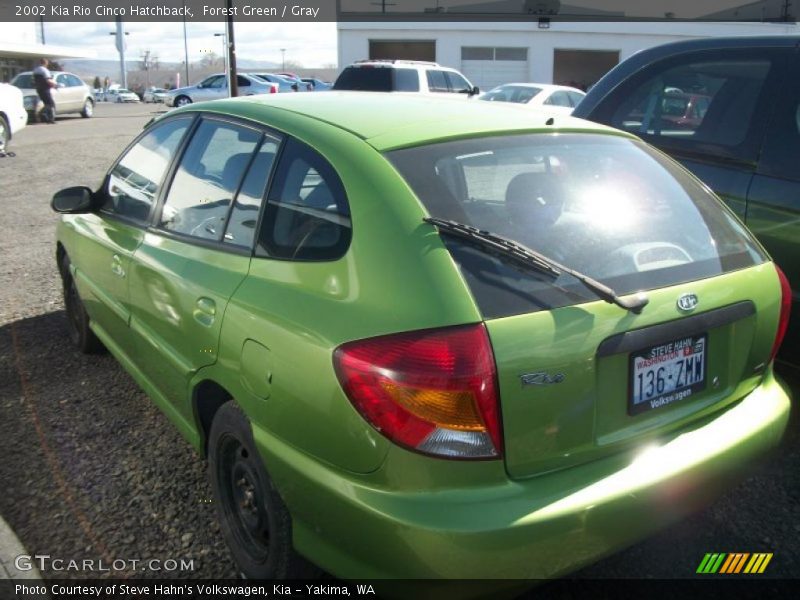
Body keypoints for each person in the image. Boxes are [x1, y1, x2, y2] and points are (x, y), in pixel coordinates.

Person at [32, 58, 57, 124]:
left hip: (39, 89)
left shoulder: (35, 70)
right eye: (47, 63)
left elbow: (33, 80)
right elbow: (48, 80)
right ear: (45, 63)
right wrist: (54, 85)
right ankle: (41, 113)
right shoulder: (45, 70)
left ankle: (49, 119)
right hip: (45, 89)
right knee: (51, 104)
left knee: (47, 104)